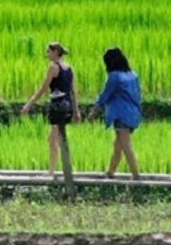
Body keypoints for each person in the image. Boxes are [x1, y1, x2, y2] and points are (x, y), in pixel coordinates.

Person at [20, 42, 81, 177]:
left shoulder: (53, 68)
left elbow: (43, 89)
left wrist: (28, 105)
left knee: (55, 139)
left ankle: (53, 172)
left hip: (57, 106)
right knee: (55, 138)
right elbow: (74, 91)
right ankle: (60, 170)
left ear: (54, 52)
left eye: (48, 51)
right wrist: (76, 111)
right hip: (68, 106)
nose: (46, 54)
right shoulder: (69, 68)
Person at [87, 47, 141, 180]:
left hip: (121, 114)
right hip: (133, 113)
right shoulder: (132, 75)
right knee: (118, 146)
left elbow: (105, 95)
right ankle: (110, 172)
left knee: (126, 147)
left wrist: (94, 112)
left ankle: (136, 176)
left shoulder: (114, 76)